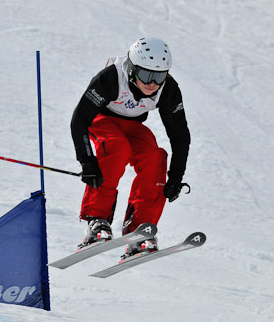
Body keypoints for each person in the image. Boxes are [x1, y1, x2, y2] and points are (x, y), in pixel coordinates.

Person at [70, 37, 191, 258]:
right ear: (132, 68)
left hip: (133, 126)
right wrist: (87, 161)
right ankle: (96, 222)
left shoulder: (168, 89)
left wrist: (175, 177)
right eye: (146, 75)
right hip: (101, 119)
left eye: (159, 76)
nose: (152, 83)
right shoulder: (111, 78)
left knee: (154, 157)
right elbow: (79, 120)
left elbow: (180, 136)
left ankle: (140, 230)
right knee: (116, 148)